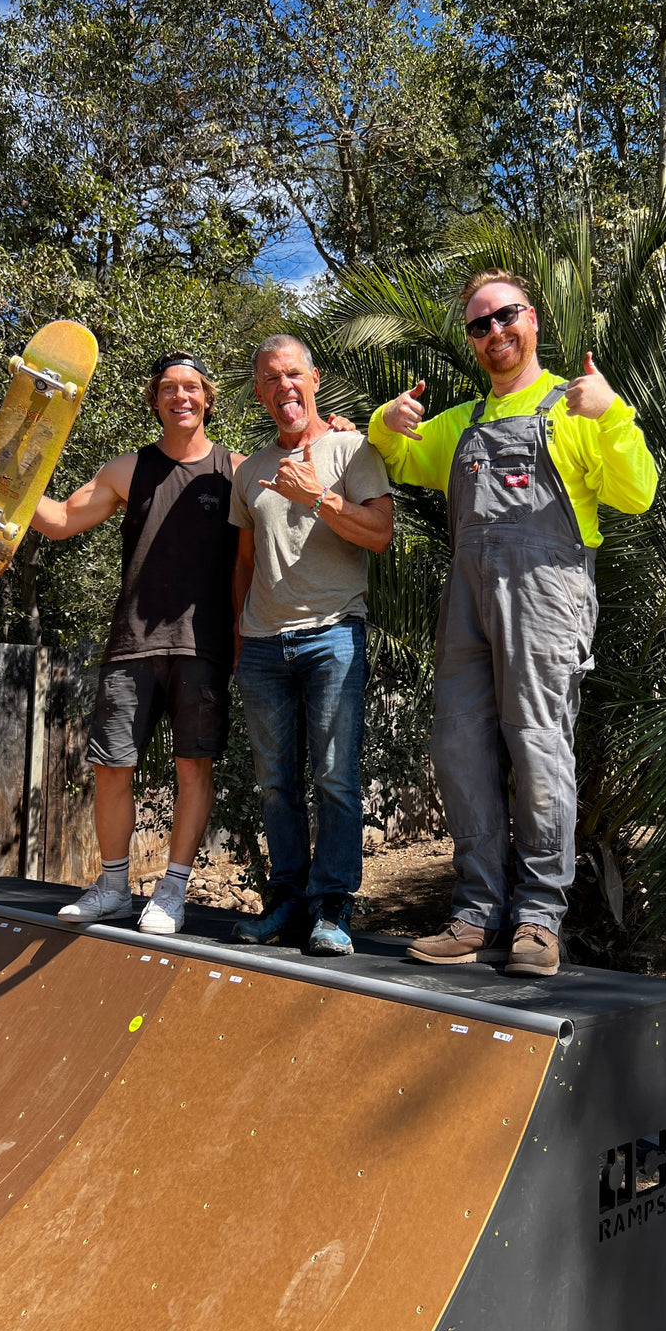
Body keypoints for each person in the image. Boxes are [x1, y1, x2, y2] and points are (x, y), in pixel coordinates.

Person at [368, 269, 657, 976]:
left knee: (538, 752)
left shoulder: (576, 409)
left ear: (533, 320)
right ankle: (475, 912)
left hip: (546, 599)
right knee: (460, 748)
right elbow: (399, 458)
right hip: (467, 608)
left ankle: (538, 920)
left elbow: (639, 493)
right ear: (471, 341)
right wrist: (385, 422)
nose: (495, 332)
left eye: (506, 316)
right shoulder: (460, 424)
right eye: (479, 324)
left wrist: (614, 412)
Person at [0, 351, 242, 934]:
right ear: (155, 400)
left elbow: (267, 537)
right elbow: (62, 518)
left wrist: (338, 431)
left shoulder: (235, 470)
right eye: (169, 388)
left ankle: (172, 891)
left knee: (193, 767)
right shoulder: (128, 469)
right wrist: (2, 475)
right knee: (112, 768)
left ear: (207, 398)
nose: (181, 397)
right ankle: (114, 886)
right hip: (132, 644)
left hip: (204, 645)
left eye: (192, 387)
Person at [230, 334, 393, 954]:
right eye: (270, 379)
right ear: (258, 392)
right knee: (275, 783)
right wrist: (237, 639)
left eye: (292, 374)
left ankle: (332, 908)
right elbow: (243, 562)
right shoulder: (249, 470)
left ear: (315, 379)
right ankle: (287, 901)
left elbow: (379, 534)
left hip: (334, 637)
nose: (283, 387)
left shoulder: (353, 449)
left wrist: (317, 496)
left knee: (334, 779)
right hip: (263, 647)